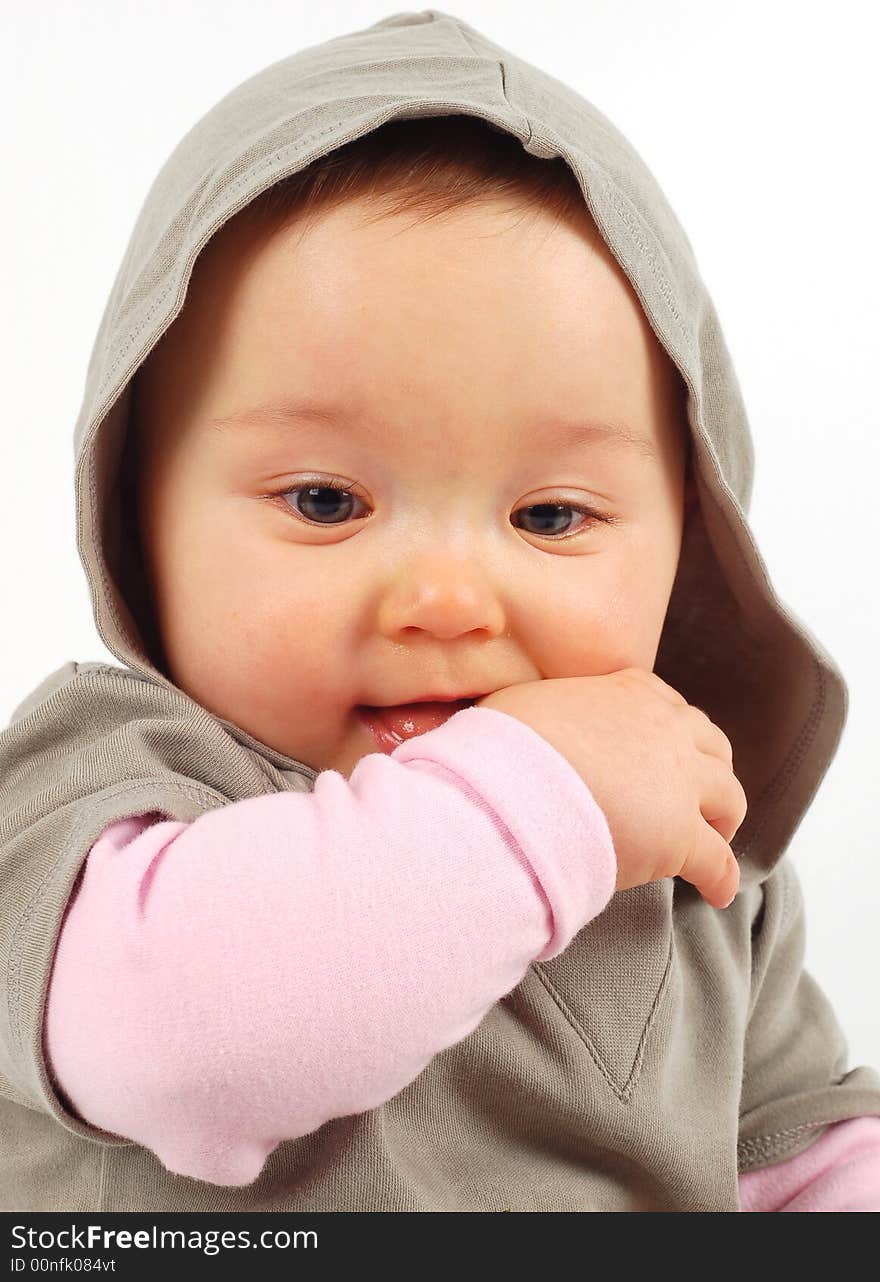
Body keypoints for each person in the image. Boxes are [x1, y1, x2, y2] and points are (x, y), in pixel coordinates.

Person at [2, 9, 878, 1212]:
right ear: (136, 518)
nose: (448, 603)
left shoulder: (698, 870)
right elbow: (185, 1048)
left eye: (552, 517)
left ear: (689, 546)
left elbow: (791, 1150)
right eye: (325, 499)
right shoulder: (103, 796)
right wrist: (535, 803)